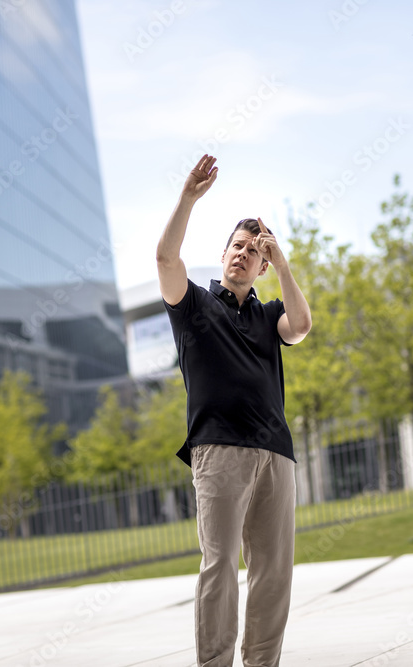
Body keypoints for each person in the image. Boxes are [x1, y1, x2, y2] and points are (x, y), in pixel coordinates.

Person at [157, 154, 312, 667]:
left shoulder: (270, 317)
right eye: (237, 248)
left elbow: (303, 324)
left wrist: (284, 262)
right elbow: (165, 260)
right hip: (219, 450)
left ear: (262, 266)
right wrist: (188, 199)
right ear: (223, 255)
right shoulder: (195, 305)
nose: (243, 255)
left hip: (276, 455)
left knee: (273, 570)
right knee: (220, 564)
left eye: (254, 252)